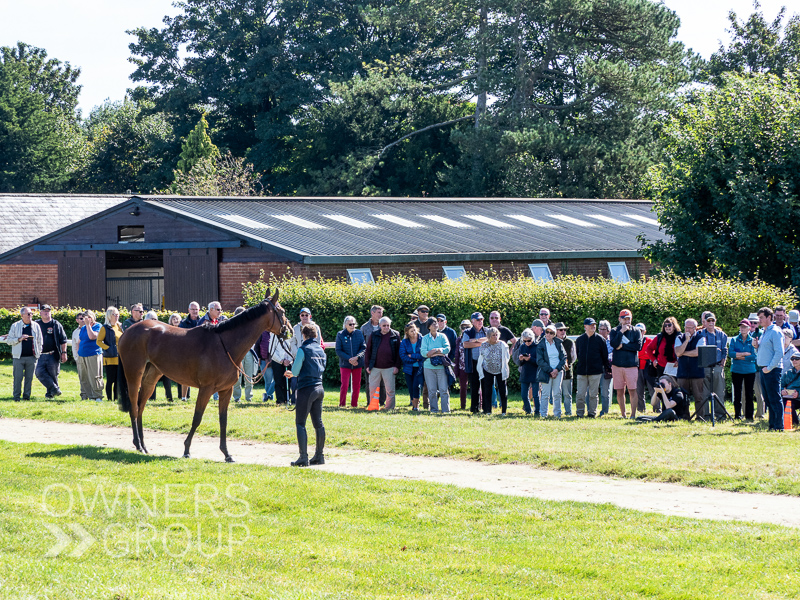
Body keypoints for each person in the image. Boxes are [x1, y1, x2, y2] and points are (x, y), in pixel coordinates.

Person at [285, 323, 327, 467]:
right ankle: (319, 456)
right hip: (319, 388)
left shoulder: (303, 349)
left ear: (303, 335)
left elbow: (295, 371)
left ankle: (303, 457)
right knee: (318, 423)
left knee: (300, 423)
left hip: (306, 389)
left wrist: (290, 373)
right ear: (315, 335)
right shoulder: (321, 350)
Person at [609, 309, 643, 419]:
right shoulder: (614, 331)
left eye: (628, 318)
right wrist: (621, 333)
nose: (627, 321)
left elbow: (637, 347)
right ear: (620, 319)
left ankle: (633, 414)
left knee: (632, 390)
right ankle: (623, 414)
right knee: (620, 391)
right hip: (617, 365)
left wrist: (622, 346)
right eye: (624, 318)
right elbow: (614, 344)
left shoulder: (636, 331)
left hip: (631, 365)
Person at [574, 318, 611, 418]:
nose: (593, 327)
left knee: (593, 394)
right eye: (591, 325)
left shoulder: (600, 340)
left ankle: (592, 413)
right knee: (580, 394)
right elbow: (577, 354)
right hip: (582, 371)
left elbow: (604, 356)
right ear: (585, 326)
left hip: (596, 372)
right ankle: (579, 413)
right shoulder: (580, 340)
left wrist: (607, 369)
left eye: (594, 325)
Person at [756, 306, 785, 431]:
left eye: (761, 317)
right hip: (765, 369)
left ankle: (779, 426)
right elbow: (764, 351)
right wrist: (755, 346)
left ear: (769, 317)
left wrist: (769, 367)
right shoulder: (765, 331)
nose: (759, 320)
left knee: (774, 398)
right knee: (768, 399)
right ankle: (772, 425)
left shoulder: (775, 331)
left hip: (772, 369)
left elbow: (779, 352)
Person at [365, 316, 402, 410]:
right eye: (384, 325)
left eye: (388, 325)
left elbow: (399, 352)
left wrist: (397, 366)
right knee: (373, 388)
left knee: (390, 390)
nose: (386, 327)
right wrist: (367, 365)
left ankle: (389, 407)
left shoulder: (395, 335)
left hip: (390, 367)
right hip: (375, 367)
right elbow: (368, 351)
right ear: (380, 325)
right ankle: (373, 407)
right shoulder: (374, 334)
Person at [7, 307, 43, 401]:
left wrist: (38, 352)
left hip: (32, 357)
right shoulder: (15, 326)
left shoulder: (36, 326)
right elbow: (9, 341)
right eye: (28, 314)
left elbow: (40, 340)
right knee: (17, 378)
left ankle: (26, 397)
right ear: (22, 315)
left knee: (29, 379)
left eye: (31, 313)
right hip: (18, 357)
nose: (30, 315)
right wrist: (19, 339)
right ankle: (16, 397)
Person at [34, 304, 67, 399]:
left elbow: (63, 340)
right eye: (44, 311)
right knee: (39, 372)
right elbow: (26, 332)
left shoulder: (56, 324)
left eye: (48, 311)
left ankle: (50, 394)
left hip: (52, 354)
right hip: (39, 354)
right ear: (40, 313)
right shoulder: (36, 324)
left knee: (53, 375)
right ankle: (55, 389)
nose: (46, 313)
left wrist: (64, 353)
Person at [675, 318, 706, 416]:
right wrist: (686, 340)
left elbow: (697, 352)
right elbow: (678, 352)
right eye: (686, 328)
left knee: (699, 397)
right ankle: (684, 416)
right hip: (682, 372)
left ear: (695, 328)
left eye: (690, 328)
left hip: (697, 372)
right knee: (683, 396)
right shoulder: (679, 338)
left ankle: (700, 416)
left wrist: (683, 353)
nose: (688, 330)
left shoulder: (701, 338)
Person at [421, 318, 451, 413]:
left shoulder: (443, 336)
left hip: (441, 366)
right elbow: (423, 353)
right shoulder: (425, 338)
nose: (436, 325)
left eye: (436, 323)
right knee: (432, 390)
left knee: (443, 389)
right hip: (428, 367)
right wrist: (435, 352)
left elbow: (447, 349)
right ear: (429, 326)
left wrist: (436, 350)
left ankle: (446, 410)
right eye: (433, 324)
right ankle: (434, 409)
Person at [477, 327, 510, 414]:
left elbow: (506, 357)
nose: (495, 337)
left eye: (496, 335)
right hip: (487, 369)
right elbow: (481, 356)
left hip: (500, 370)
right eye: (493, 335)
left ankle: (504, 411)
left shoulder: (502, 344)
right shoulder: (484, 345)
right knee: (487, 390)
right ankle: (488, 410)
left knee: (503, 390)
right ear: (488, 336)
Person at [730, 319, 757, 420]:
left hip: (750, 371)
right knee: (737, 394)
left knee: (749, 394)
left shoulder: (753, 340)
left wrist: (739, 356)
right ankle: (737, 415)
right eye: (741, 327)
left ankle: (749, 416)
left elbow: (753, 356)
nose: (743, 329)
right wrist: (745, 354)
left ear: (749, 328)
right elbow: (731, 354)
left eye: (745, 327)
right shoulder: (734, 339)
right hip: (736, 370)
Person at [699, 312, 728, 407]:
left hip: (717, 366)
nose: (711, 322)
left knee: (719, 392)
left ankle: (720, 415)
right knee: (704, 393)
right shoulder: (700, 334)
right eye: (708, 321)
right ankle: (706, 415)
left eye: (713, 320)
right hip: (704, 367)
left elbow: (724, 350)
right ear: (705, 322)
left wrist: (722, 364)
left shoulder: (722, 335)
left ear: (715, 321)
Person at [335, 316, 365, 408]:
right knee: (344, 385)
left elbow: (363, 347)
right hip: (345, 364)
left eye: (353, 324)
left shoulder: (359, 333)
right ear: (345, 325)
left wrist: (357, 357)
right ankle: (342, 404)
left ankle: (354, 404)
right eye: (350, 324)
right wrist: (350, 359)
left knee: (356, 385)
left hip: (357, 363)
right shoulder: (340, 334)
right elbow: (338, 350)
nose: (352, 326)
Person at [536, 324, 566, 417]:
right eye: (547, 332)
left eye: (551, 333)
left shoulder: (559, 343)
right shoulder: (541, 344)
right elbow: (539, 360)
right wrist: (550, 371)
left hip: (558, 372)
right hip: (546, 372)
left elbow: (563, 357)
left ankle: (557, 414)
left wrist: (557, 370)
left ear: (554, 334)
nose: (548, 334)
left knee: (557, 393)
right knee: (545, 394)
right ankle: (543, 414)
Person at [232, 307, 260, 403]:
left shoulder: (250, 325)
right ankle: (237, 397)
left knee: (249, 376)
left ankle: (249, 397)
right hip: (238, 354)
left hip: (249, 352)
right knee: (237, 377)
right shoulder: (233, 326)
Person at [462, 312, 489, 413]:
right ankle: (474, 409)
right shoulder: (467, 332)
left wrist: (474, 341)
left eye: (481, 319)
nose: (480, 321)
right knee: (474, 387)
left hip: (485, 362)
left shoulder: (487, 330)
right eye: (478, 320)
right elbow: (465, 345)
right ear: (472, 321)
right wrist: (480, 342)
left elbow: (489, 340)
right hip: (473, 362)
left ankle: (486, 409)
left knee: (486, 386)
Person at [96, 307, 123, 402]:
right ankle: (109, 399)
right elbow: (99, 341)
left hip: (120, 358)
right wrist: (108, 348)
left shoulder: (120, 326)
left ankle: (116, 398)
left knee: (117, 380)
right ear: (109, 316)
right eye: (114, 314)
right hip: (110, 358)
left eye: (117, 314)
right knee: (110, 380)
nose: (117, 316)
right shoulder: (105, 328)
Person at [77, 310, 105, 402]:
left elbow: (92, 337)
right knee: (83, 376)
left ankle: (97, 396)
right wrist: (78, 353)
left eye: (88, 317)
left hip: (94, 354)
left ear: (93, 317)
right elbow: (80, 341)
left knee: (95, 375)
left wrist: (88, 325)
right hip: (82, 355)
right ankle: (86, 395)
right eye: (84, 317)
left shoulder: (98, 326)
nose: (86, 319)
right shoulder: (83, 328)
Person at [360, 305, 385, 406]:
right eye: (379, 312)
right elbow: (361, 344)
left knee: (382, 382)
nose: (381, 315)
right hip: (369, 359)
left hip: (383, 359)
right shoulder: (364, 327)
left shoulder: (384, 325)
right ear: (372, 313)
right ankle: (370, 402)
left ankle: (382, 402)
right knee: (369, 382)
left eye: (381, 313)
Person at [178, 301, 202, 401]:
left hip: (201, 353)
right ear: (188, 310)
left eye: (196, 309)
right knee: (186, 375)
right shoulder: (183, 323)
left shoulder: (202, 321)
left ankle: (201, 397)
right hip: (187, 353)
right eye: (192, 309)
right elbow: (180, 338)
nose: (194, 311)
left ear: (199, 310)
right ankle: (184, 397)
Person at [400, 323, 425, 411]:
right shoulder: (404, 342)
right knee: (411, 387)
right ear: (407, 333)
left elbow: (423, 354)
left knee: (416, 386)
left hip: (419, 368)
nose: (414, 332)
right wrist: (414, 359)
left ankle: (416, 406)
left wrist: (412, 356)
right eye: (411, 331)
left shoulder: (422, 339)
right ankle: (413, 405)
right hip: (408, 368)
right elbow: (403, 356)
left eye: (415, 330)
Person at [268, 325, 295, 405]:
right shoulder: (273, 335)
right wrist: (281, 360)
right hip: (277, 362)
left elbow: (292, 349)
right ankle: (280, 400)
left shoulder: (290, 335)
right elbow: (271, 350)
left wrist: (289, 360)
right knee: (278, 381)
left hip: (288, 362)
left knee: (288, 381)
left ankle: (288, 398)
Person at [515, 328, 540, 415]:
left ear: (532, 338)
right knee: (523, 395)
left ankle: (537, 411)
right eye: (525, 341)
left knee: (536, 395)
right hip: (525, 373)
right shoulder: (522, 346)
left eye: (529, 340)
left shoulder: (537, 346)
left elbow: (539, 362)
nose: (527, 342)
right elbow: (520, 363)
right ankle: (528, 410)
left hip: (535, 372)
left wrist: (530, 359)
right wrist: (521, 359)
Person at [554, 323, 575, 416]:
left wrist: (568, 364)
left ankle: (568, 412)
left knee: (567, 394)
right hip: (555, 371)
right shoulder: (552, 341)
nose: (563, 332)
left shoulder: (570, 342)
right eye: (560, 330)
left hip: (567, 371)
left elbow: (574, 357)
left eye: (564, 330)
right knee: (556, 394)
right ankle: (557, 412)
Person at [635, 323, 655, 414]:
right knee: (639, 391)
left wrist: (642, 355)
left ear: (644, 331)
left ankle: (657, 409)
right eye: (637, 330)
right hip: (637, 368)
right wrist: (643, 355)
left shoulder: (649, 341)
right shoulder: (633, 342)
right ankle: (641, 409)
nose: (639, 332)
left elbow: (651, 353)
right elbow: (643, 353)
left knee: (653, 390)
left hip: (649, 368)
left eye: (641, 331)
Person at [595, 320, 614, 416]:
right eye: (600, 329)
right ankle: (592, 410)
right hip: (595, 368)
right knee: (592, 390)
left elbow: (612, 354)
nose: (601, 331)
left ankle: (604, 411)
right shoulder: (595, 340)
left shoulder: (612, 342)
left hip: (607, 369)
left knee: (605, 391)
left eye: (603, 329)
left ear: (608, 331)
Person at [455, 319, 472, 410]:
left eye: (467, 327)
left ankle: (478, 405)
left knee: (476, 386)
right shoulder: (459, 339)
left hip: (472, 366)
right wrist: (456, 369)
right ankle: (463, 406)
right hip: (462, 366)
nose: (465, 329)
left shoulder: (473, 338)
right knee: (463, 386)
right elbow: (457, 354)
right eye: (463, 327)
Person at [780, 354, 800, 427]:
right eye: (792, 359)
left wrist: (798, 394)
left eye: (797, 359)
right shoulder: (788, 373)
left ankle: (794, 422)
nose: (794, 361)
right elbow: (780, 385)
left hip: (798, 398)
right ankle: (782, 422)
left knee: (789, 403)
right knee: (779, 402)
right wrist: (782, 391)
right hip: (789, 397)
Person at [71, 312, 85, 398]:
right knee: (82, 377)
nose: (83, 320)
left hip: (90, 356)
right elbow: (74, 346)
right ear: (77, 320)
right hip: (80, 358)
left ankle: (93, 395)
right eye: (81, 318)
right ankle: (84, 394)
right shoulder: (75, 332)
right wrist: (76, 357)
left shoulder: (91, 329)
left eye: (84, 318)